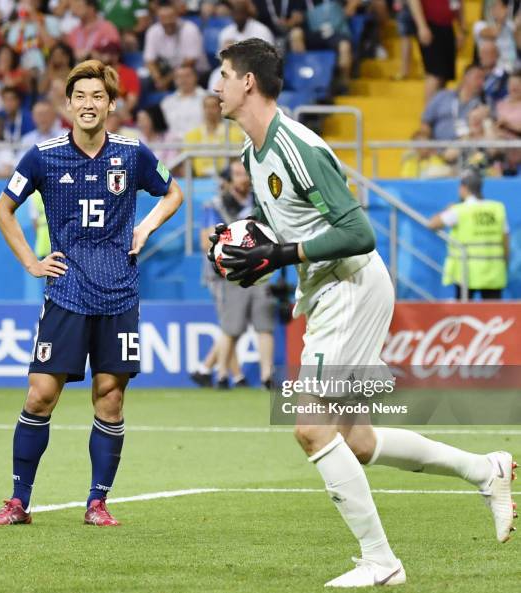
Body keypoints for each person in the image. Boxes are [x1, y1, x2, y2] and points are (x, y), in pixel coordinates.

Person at [211, 38, 516, 587]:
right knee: (355, 438)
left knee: (309, 426)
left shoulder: (296, 146)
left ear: (248, 82)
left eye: (225, 74)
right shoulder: (251, 154)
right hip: (329, 289)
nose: (218, 84)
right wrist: (244, 247)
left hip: (349, 285)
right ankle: (485, 469)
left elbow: (359, 231)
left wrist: (280, 254)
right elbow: (285, 228)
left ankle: (382, 561)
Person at [0, 59, 183, 526]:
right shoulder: (42, 155)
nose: (88, 104)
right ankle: (18, 501)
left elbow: (173, 194)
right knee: (39, 396)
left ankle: (97, 502)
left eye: (97, 97)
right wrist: (32, 263)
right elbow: (3, 210)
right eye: (80, 97)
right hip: (67, 291)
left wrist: (146, 228)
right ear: (68, 104)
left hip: (119, 292)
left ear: (111, 105)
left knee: (110, 399)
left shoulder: (133, 153)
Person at [200, 160, 275, 389]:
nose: (242, 178)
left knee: (264, 324)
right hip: (229, 272)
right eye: (237, 173)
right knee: (231, 326)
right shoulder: (215, 205)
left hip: (261, 270)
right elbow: (206, 242)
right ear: (229, 178)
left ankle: (266, 377)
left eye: (245, 173)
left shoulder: (262, 201)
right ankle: (222, 374)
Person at [428, 167, 509, 299]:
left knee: (464, 315)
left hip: (466, 273)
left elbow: (432, 224)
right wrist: (505, 263)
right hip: (494, 272)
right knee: (493, 313)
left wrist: (446, 209)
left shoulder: (459, 210)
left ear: (464, 188)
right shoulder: (497, 208)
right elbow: (505, 240)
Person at [407, 0, 467, 103]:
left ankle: (437, 113)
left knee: (444, 76)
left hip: (447, 26)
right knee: (434, 73)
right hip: (430, 25)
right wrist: (422, 26)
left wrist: (462, 28)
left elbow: (457, 3)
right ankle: (428, 115)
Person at [420, 64, 485, 141]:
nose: (482, 82)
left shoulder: (482, 103)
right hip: (436, 147)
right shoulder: (443, 96)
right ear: (465, 78)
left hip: (465, 147)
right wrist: (426, 141)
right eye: (478, 77)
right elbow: (426, 122)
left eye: (484, 79)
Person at [184, 94, 244, 177]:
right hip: (199, 180)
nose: (209, 111)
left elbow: (235, 160)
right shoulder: (192, 135)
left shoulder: (234, 133)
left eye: (213, 107)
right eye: (206, 107)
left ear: (221, 109)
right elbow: (187, 162)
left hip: (226, 177)